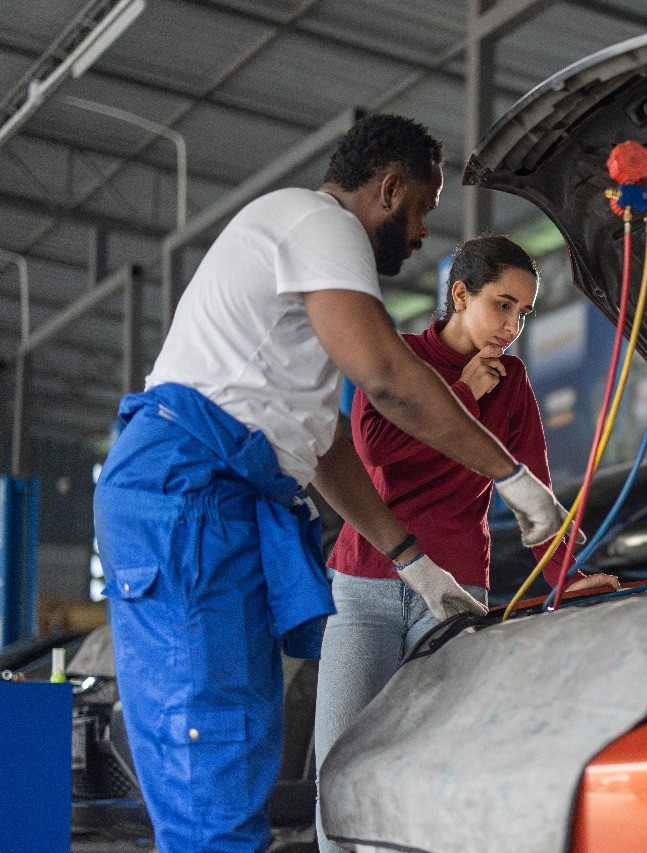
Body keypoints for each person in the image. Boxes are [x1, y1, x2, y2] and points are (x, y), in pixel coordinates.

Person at [92, 114, 567, 853]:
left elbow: (322, 446)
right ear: (390, 187)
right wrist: (509, 475)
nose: (422, 235)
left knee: (242, 739)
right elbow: (389, 383)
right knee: (211, 747)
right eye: (422, 210)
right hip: (188, 487)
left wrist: (412, 560)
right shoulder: (321, 223)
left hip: (223, 492)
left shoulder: (310, 288)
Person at [313, 235, 619, 852]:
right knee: (338, 769)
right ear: (460, 295)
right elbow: (377, 451)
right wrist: (463, 395)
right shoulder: (398, 356)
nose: (512, 326)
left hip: (455, 593)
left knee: (428, 763)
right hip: (365, 586)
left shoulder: (515, 382)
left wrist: (566, 576)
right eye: (502, 305)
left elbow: (534, 488)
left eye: (523, 313)